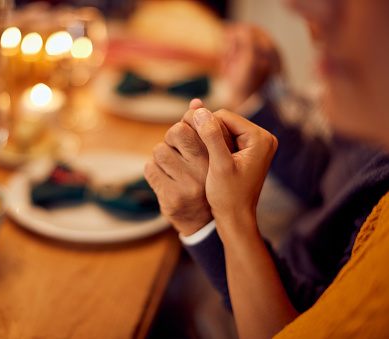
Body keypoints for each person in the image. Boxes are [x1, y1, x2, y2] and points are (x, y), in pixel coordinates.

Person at [145, 0, 389, 337]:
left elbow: (301, 320)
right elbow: (330, 182)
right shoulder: (375, 128)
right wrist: (252, 100)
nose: (300, 7)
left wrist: (216, 221)